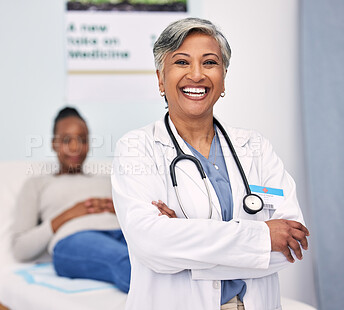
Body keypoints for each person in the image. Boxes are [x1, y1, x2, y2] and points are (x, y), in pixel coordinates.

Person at [111, 18, 309, 309]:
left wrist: (185, 241)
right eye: (181, 62)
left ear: (223, 77)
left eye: (209, 62)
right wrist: (262, 236)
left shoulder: (255, 147)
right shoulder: (136, 148)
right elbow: (152, 246)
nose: (196, 74)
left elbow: (291, 245)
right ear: (160, 78)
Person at [11, 107, 130, 293]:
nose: (75, 147)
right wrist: (69, 214)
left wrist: (118, 210)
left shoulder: (109, 180)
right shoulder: (38, 184)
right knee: (125, 261)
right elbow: (20, 249)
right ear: (53, 144)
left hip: (121, 233)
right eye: (67, 140)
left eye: (82, 140)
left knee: (163, 260)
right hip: (74, 239)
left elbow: (136, 219)